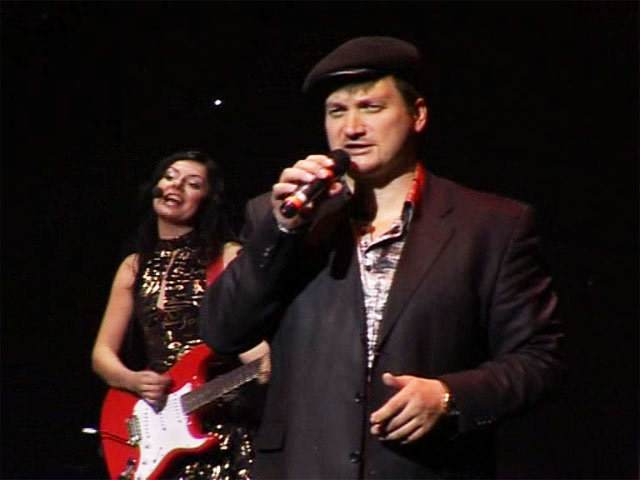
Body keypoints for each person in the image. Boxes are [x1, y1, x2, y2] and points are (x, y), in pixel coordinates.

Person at [200, 37, 563, 479]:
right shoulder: (280, 217)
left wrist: (450, 397)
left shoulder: (492, 225)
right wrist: (282, 232)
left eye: (371, 107)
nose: (351, 128)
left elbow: (539, 359)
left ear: (417, 114)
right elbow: (223, 332)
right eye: (337, 112)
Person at [92, 149, 269, 479]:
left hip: (224, 429)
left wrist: (261, 358)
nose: (175, 186)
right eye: (170, 177)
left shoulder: (228, 256)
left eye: (193, 184)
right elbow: (102, 353)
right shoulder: (134, 266)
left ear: (207, 200)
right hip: (156, 424)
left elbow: (251, 334)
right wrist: (132, 380)